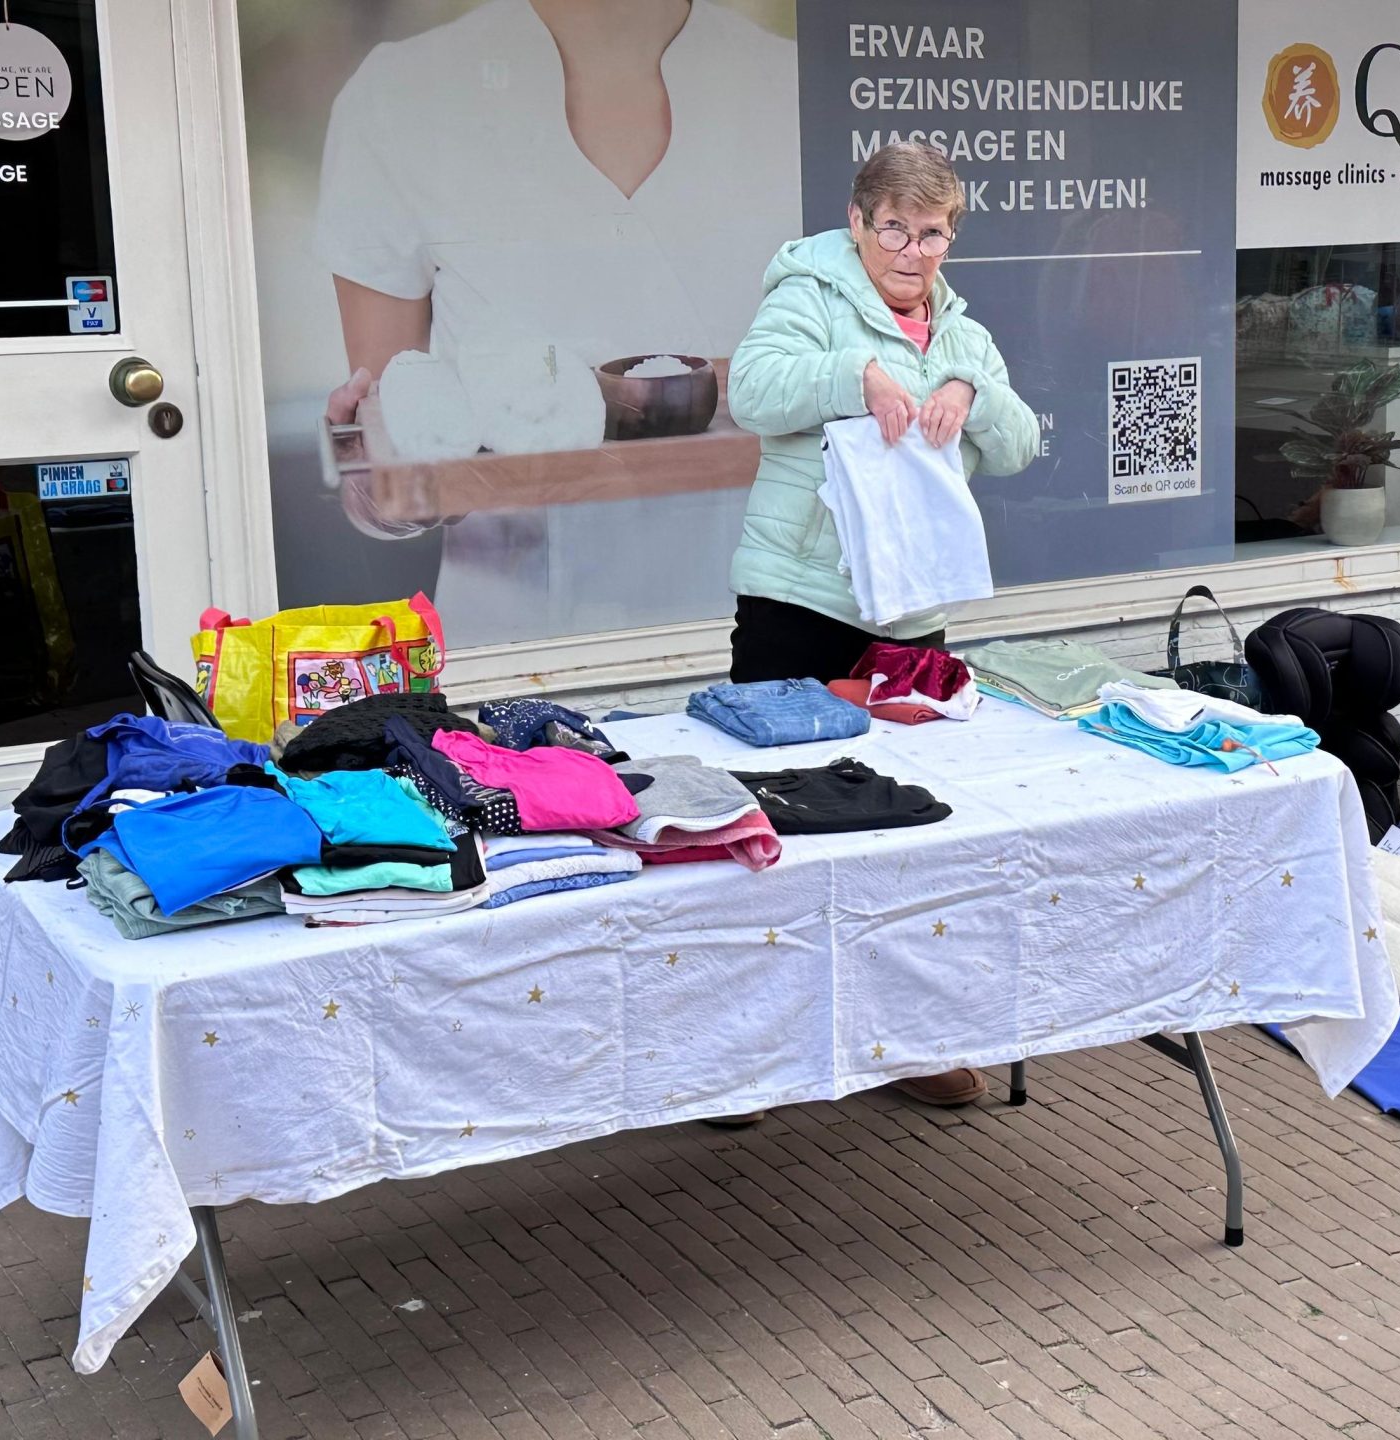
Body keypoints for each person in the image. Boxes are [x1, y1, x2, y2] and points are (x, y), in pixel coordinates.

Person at [310, 0, 799, 645]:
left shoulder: (797, 88)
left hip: (782, 626)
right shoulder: (401, 96)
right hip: (522, 652)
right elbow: (395, 431)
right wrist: (378, 477)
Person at [721, 142, 1037, 1108]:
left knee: (910, 832)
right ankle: (750, 1060)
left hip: (912, 612)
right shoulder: (807, 291)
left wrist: (967, 394)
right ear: (858, 223)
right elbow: (751, 394)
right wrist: (859, 373)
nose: (911, 250)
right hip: (799, 600)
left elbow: (1019, 446)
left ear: (953, 234)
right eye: (894, 227)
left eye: (931, 232)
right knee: (770, 833)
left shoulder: (961, 329)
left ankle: (909, 1040)